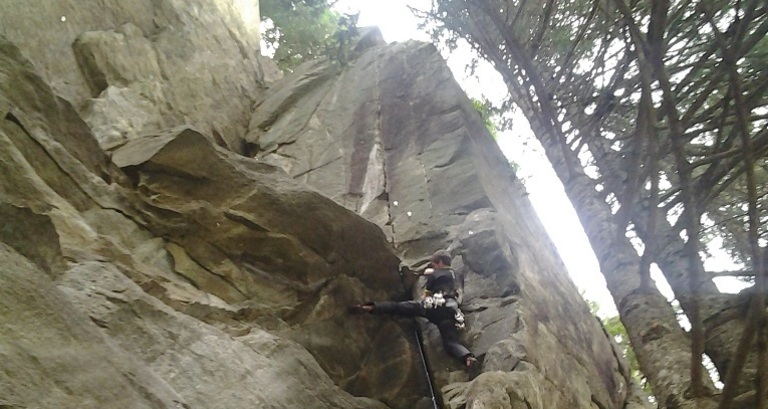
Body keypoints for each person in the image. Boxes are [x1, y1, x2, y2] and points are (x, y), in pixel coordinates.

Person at [350, 251, 478, 375]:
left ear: (439, 262)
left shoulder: (435, 274)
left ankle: (369, 307)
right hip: (452, 311)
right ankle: (467, 358)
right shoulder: (458, 276)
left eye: (434, 263)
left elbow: (427, 293)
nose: (433, 266)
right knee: (451, 342)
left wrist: (430, 275)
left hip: (435, 304)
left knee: (400, 307)